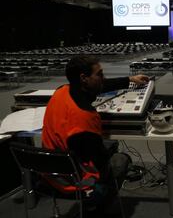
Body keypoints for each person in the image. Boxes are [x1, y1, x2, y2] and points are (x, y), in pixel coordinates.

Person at [41, 55, 149, 214]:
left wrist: (130, 79)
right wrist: (110, 149)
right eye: (99, 74)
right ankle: (96, 207)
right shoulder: (85, 116)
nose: (103, 78)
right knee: (121, 159)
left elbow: (99, 85)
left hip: (50, 174)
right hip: (75, 183)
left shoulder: (61, 91)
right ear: (84, 78)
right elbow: (100, 161)